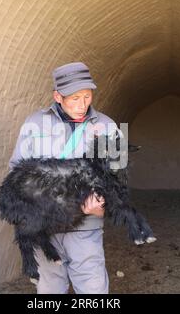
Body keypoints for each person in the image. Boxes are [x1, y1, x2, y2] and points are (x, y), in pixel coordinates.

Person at [8, 62, 118, 294]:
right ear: (58, 96)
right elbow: (16, 172)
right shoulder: (34, 123)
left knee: (93, 289)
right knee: (49, 289)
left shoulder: (107, 126)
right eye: (75, 98)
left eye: (87, 96)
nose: (83, 104)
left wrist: (103, 204)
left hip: (85, 227)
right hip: (45, 228)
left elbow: (118, 177)